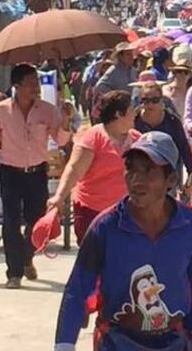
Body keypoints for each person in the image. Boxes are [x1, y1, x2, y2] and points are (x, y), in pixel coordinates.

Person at [51, 132, 192, 351]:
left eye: (148, 171)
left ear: (169, 179)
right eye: (131, 170)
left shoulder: (190, 225)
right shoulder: (106, 227)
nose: (136, 180)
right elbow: (76, 289)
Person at [0, 63, 72, 288]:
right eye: (30, 83)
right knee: (10, 223)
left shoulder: (48, 110)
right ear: (16, 86)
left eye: (36, 82)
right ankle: (14, 272)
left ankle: (27, 258)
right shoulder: (2, 110)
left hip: (37, 173)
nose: (35, 87)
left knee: (36, 222)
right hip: (10, 173)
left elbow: (62, 140)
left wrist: (66, 119)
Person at [49, 91, 141, 244]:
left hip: (127, 213)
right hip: (92, 212)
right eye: (131, 109)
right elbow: (74, 169)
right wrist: (59, 197)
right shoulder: (93, 138)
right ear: (119, 114)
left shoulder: (138, 139)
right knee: (94, 262)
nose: (135, 114)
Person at [134, 81, 192, 177]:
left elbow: (183, 148)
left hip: (169, 173)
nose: (150, 104)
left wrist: (191, 172)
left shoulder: (172, 121)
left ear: (162, 100)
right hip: (140, 172)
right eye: (145, 100)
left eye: (155, 100)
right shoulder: (133, 120)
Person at [163, 52, 192, 119]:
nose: (182, 75)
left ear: (190, 75)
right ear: (174, 73)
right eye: (179, 71)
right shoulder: (166, 89)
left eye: (186, 72)